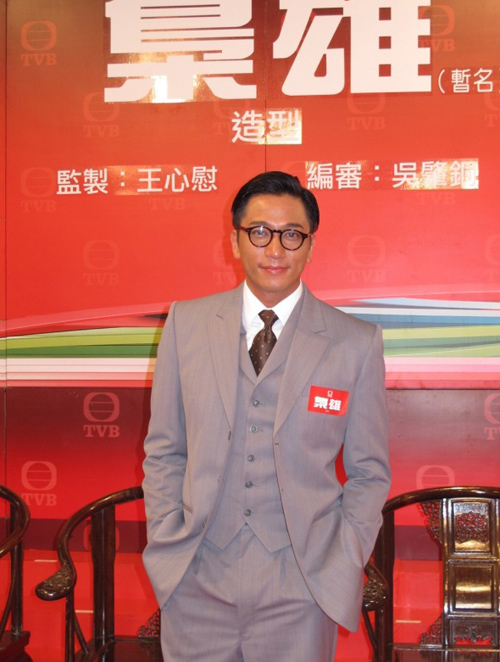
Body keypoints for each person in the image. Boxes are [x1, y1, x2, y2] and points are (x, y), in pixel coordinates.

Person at [142, 171, 391, 662]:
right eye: (259, 232)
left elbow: (370, 472)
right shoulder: (186, 324)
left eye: (292, 234)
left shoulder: (355, 342)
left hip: (301, 585)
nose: (275, 249)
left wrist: (341, 558)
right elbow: (165, 449)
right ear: (235, 240)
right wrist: (168, 535)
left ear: (311, 246)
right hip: (196, 577)